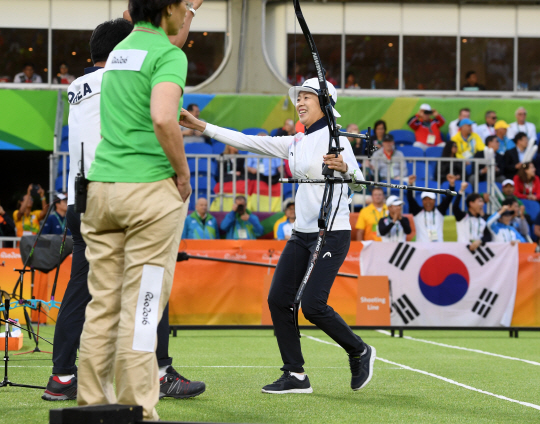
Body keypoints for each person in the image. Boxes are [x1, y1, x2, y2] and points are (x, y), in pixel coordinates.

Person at [43, 16, 205, 406]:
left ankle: (62, 376)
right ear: (121, 53)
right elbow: (161, 108)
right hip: (122, 188)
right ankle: (160, 372)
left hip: (83, 200)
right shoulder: (122, 77)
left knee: (83, 291)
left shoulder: (78, 85)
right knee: (152, 277)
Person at [179, 76, 376, 394]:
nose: (299, 102)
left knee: (312, 306)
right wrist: (200, 125)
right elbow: (246, 141)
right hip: (302, 234)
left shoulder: (339, 141)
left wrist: (347, 170)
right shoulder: (296, 143)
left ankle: (359, 350)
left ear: (325, 104)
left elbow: (359, 185)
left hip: (332, 232)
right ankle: (296, 374)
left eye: (307, 97)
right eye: (298, 98)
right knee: (278, 299)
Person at [407, 175, 455, 242]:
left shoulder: (439, 211)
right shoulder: (417, 212)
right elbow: (410, 199)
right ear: (422, 201)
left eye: (430, 199)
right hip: (421, 248)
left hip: (438, 248)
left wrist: (452, 185)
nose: (428, 202)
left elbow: (449, 198)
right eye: (425, 199)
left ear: (434, 200)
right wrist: (410, 184)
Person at [452, 181, 491, 251]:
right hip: (462, 252)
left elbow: (488, 236)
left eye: (482, 202)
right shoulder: (463, 217)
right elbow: (455, 207)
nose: (482, 204)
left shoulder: (482, 220)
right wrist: (461, 190)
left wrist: (479, 241)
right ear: (471, 203)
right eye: (479, 201)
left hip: (477, 255)